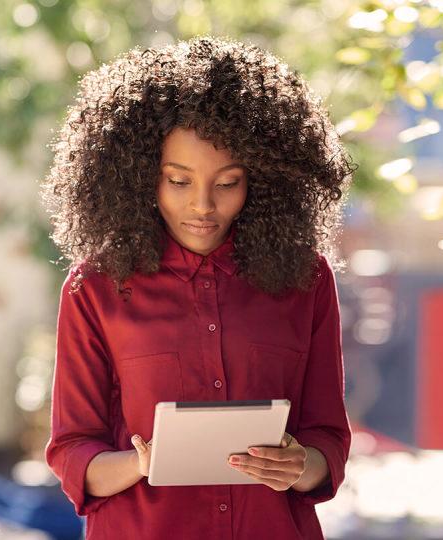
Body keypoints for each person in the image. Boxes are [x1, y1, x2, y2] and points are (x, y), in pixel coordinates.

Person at [40, 36, 354, 539]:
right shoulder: (95, 288)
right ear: (142, 177)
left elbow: (328, 439)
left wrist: (300, 465)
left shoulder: (306, 281)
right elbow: (73, 449)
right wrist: (143, 463)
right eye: (179, 181)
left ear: (262, 181)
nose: (203, 205)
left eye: (227, 182)